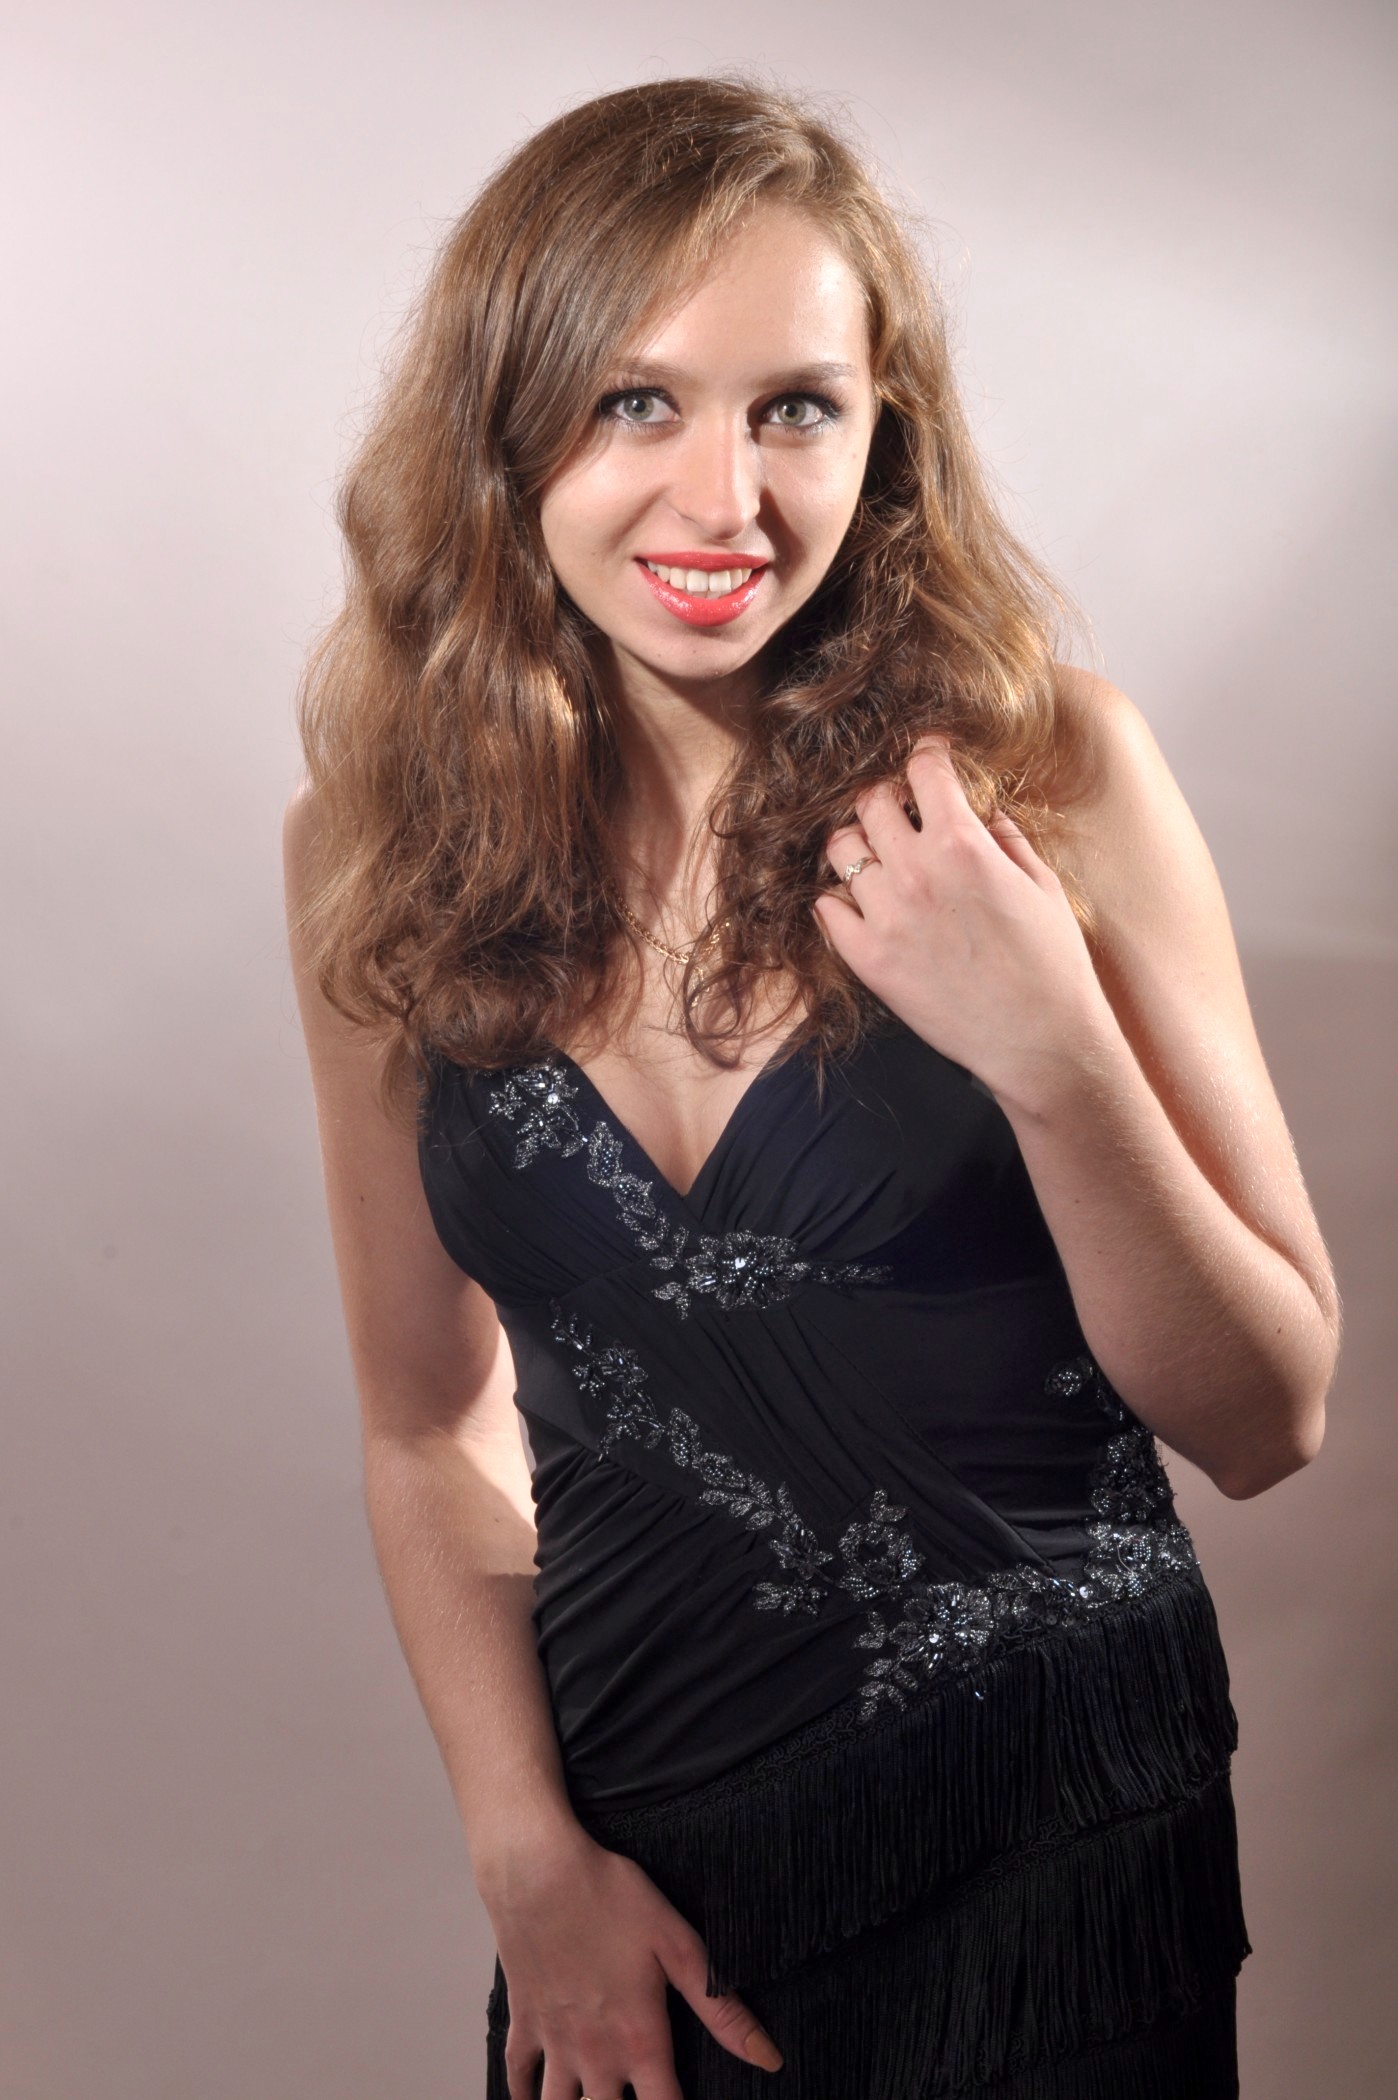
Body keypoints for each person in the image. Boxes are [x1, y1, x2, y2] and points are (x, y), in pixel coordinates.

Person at [283, 74, 1340, 2100]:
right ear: (507, 429)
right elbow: (426, 1422)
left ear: (884, 437)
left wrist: (1055, 1054)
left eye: (795, 409)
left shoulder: (1051, 777)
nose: (725, 501)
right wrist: (527, 1860)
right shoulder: (377, 848)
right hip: (635, 1887)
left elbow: (1265, 1414)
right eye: (635, 403)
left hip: (1056, 1850)